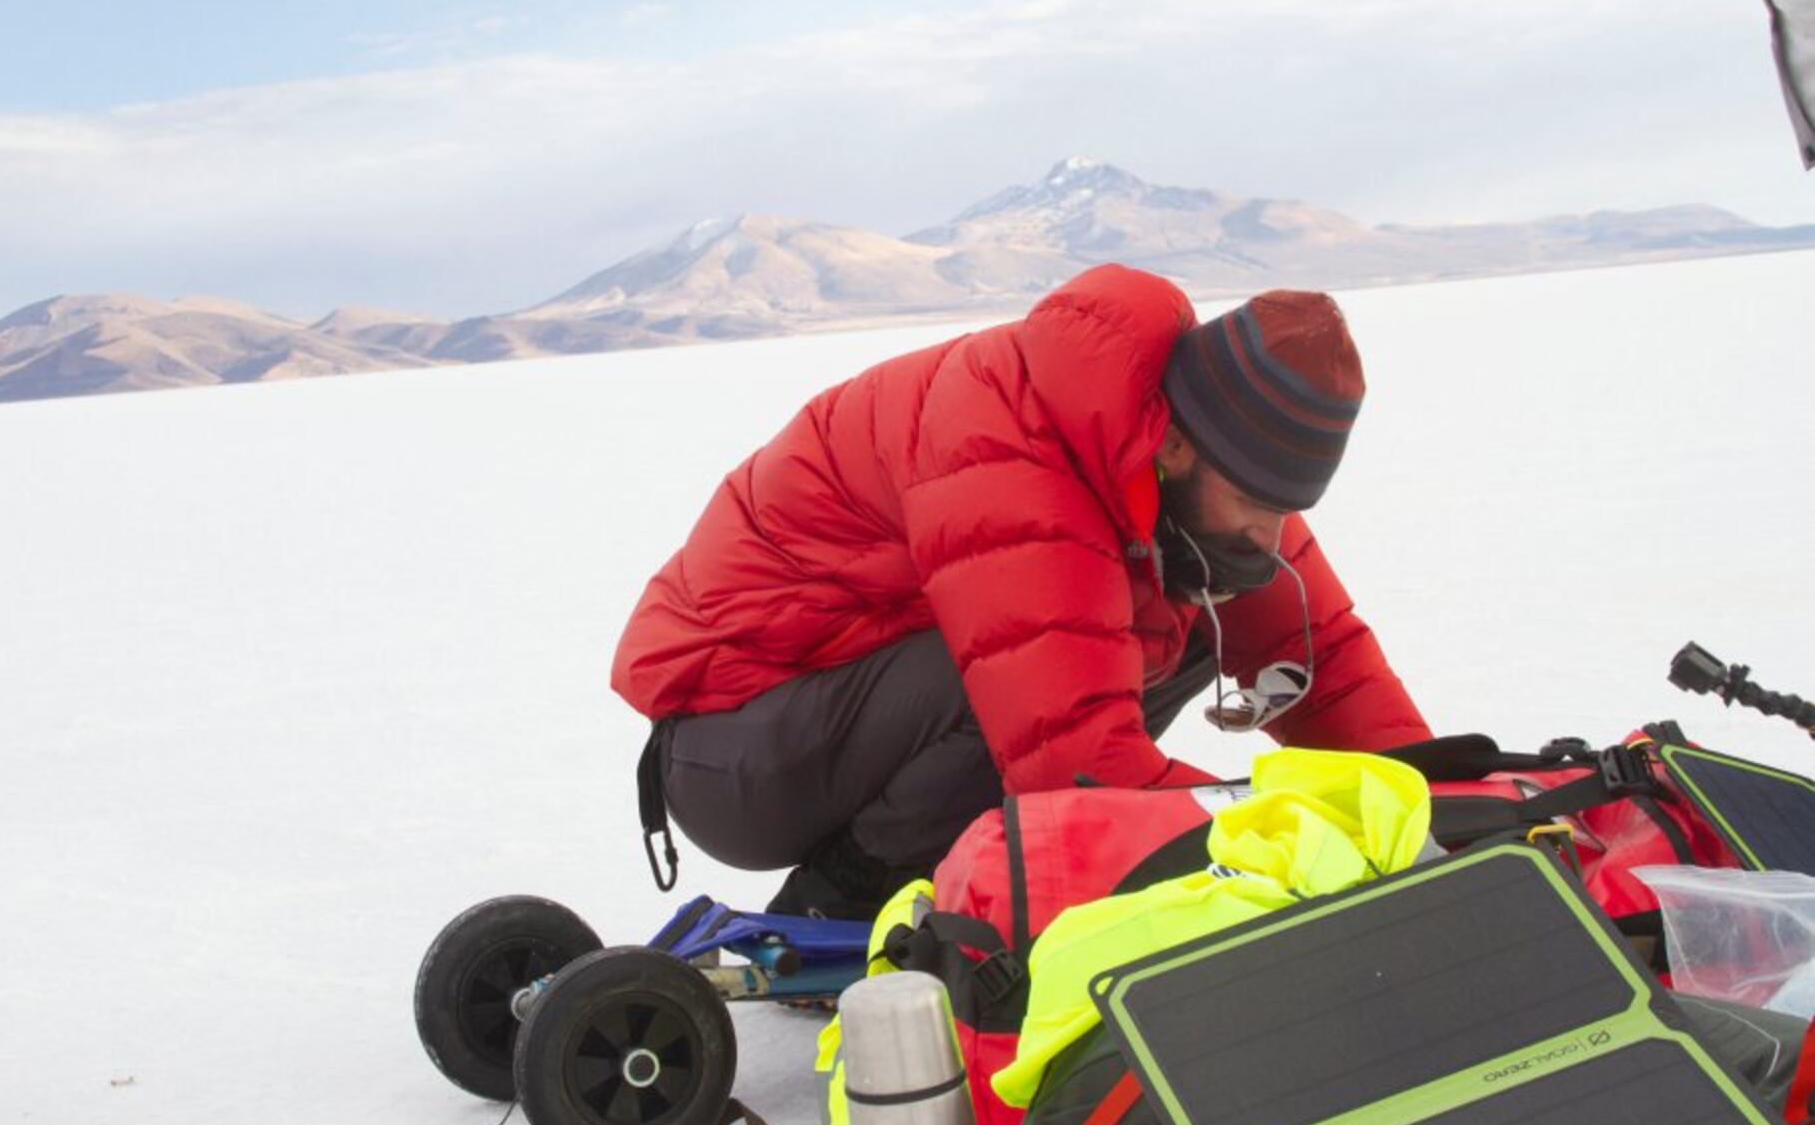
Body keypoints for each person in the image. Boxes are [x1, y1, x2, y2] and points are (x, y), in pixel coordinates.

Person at [612, 263, 1431, 917]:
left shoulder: (1195, 454)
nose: (1270, 533)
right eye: (1257, 505)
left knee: (1189, 612)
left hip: (843, 717)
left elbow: (1315, 653)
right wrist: (1289, 831)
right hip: (735, 752)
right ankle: (848, 898)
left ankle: (928, 864)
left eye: (1286, 511)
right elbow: (1072, 759)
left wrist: (1437, 804)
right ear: (1176, 446)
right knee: (1004, 679)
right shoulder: (1011, 446)